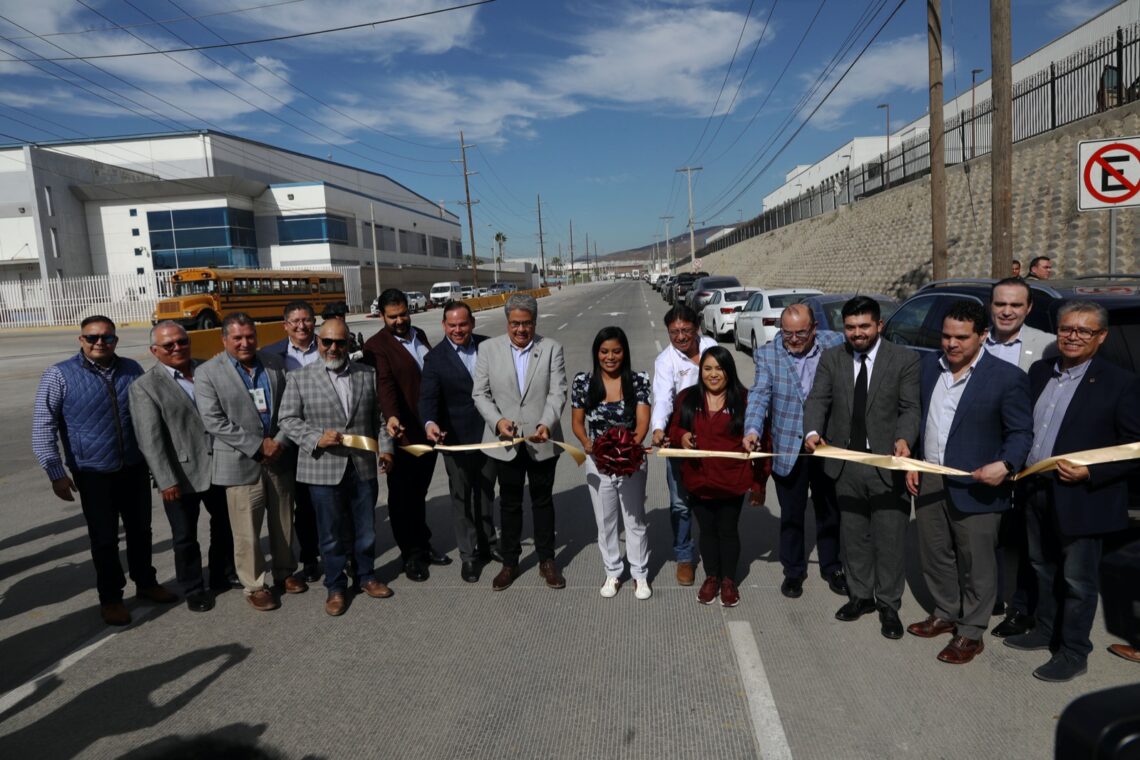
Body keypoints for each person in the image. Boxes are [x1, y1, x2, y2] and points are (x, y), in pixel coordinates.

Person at [1004, 301, 1140, 682]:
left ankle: (1074, 651)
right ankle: (1046, 631)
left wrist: (1090, 472)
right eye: (1067, 329)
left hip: (1083, 497)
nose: (1074, 336)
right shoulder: (1039, 371)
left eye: (1084, 331)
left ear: (1101, 337)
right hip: (1035, 489)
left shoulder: (1120, 382)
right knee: (1041, 567)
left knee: (1078, 581)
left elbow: (1135, 447)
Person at [904, 301, 1033, 664]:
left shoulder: (1007, 378)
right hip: (931, 477)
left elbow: (1021, 432)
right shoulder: (928, 367)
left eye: (961, 337)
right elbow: (918, 415)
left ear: (983, 336)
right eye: (946, 336)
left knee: (977, 563)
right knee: (934, 554)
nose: (951, 344)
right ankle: (946, 612)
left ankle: (971, 632)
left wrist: (1006, 465)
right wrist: (912, 458)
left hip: (979, 485)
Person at [33, 315, 177, 626]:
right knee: (104, 538)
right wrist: (55, 471)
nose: (100, 342)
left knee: (141, 531)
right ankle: (111, 598)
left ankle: (146, 583)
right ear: (81, 340)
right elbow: (43, 425)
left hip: (134, 465)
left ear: (116, 340)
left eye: (107, 337)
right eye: (93, 337)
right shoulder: (59, 375)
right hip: (92, 471)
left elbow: (147, 416)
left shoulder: (130, 370)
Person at [803, 295, 921, 640]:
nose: (857, 333)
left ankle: (888, 604)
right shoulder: (831, 358)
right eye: (850, 327)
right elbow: (818, 399)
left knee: (889, 538)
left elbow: (910, 408)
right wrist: (812, 431)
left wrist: (904, 440)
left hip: (887, 464)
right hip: (846, 465)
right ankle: (860, 596)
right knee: (852, 537)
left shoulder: (905, 359)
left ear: (879, 325)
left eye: (864, 326)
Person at [279, 319, 395, 616]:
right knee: (329, 534)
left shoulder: (366, 374)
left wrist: (386, 449)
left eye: (340, 343)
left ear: (349, 344)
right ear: (318, 342)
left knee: (366, 530)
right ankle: (335, 587)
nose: (333, 348)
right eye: (327, 342)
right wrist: (316, 438)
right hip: (322, 468)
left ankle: (366, 576)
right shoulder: (300, 378)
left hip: (362, 466)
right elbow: (288, 420)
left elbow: (380, 420)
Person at [196, 312, 306, 612]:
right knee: (246, 530)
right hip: (240, 462)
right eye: (238, 338)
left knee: (284, 520)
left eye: (250, 337)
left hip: (279, 457)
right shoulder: (208, 372)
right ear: (224, 340)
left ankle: (285, 572)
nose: (245, 343)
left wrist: (279, 440)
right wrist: (258, 445)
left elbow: (290, 407)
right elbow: (214, 421)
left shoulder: (273, 363)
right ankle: (255, 584)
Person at [129, 321, 236, 613]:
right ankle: (193, 588)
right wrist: (165, 480)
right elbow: (150, 440)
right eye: (169, 345)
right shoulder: (145, 387)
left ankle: (222, 573)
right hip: (180, 474)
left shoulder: (207, 370)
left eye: (182, 341)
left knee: (225, 524)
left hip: (219, 465)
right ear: (155, 351)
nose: (177, 348)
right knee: (185, 537)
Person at [742, 303, 847, 599]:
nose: (794, 339)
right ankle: (793, 570)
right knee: (792, 513)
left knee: (829, 510)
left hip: (826, 445)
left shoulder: (834, 343)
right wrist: (752, 430)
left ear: (814, 328)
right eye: (787, 333)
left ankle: (832, 565)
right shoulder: (767, 354)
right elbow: (760, 396)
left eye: (801, 333)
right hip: (789, 447)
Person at [472, 293, 568, 591]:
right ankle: (510, 563)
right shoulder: (488, 349)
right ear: (507, 322)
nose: (521, 330)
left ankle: (547, 561)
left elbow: (558, 391)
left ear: (535, 322)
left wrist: (546, 423)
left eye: (527, 324)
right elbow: (480, 393)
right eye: (515, 323)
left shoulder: (551, 348)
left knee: (542, 501)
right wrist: (497, 422)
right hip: (506, 443)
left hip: (542, 440)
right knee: (510, 505)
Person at [668, 347, 769, 607]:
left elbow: (764, 442)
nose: (713, 374)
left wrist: (759, 484)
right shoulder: (687, 399)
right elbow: (674, 426)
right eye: (707, 368)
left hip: (731, 482)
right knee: (707, 531)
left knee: (727, 530)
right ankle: (711, 576)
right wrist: (681, 436)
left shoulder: (745, 400)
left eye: (719, 368)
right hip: (698, 480)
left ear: (729, 371)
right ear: (700, 372)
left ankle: (728, 580)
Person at [362, 288, 449, 582]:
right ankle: (410, 554)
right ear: (382, 316)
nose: (400, 320)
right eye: (393, 317)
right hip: (401, 433)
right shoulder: (376, 346)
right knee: (402, 497)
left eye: (403, 314)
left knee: (419, 492)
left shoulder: (419, 334)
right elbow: (384, 384)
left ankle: (423, 544)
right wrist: (393, 416)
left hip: (427, 429)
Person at [984, 277, 1055, 638]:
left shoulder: (1049, 346)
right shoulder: (976, 342)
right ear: (991, 306)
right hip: (985, 457)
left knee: (1030, 542)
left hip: (1030, 460)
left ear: (1027, 309)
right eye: (1000, 304)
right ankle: (991, 597)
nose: (1007, 311)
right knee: (989, 533)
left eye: (1015, 305)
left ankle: (1023, 609)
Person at [419, 301, 500, 583]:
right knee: (462, 497)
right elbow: (428, 400)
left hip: (490, 436)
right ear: (443, 326)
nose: (457, 330)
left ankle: (489, 541)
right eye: (452, 325)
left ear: (472, 324)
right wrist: (430, 425)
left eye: (463, 324)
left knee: (487, 491)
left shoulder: (489, 347)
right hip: (456, 441)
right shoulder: (435, 359)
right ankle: (468, 555)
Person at [571, 326, 652, 600]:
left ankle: (640, 574)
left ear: (624, 352)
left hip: (631, 462)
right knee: (605, 522)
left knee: (635, 520)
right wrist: (586, 442)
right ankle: (613, 572)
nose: (610, 357)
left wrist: (629, 448)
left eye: (616, 351)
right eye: (604, 351)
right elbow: (577, 422)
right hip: (598, 463)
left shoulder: (638, 380)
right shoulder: (583, 382)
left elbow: (642, 423)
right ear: (597, 353)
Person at [650, 305, 716, 586]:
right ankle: (685, 557)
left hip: (715, 436)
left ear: (696, 328)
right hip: (681, 437)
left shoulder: (712, 348)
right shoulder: (666, 361)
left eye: (685, 330)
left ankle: (715, 554)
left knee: (714, 498)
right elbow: (663, 397)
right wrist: (658, 428)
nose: (680, 337)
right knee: (680, 503)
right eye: (674, 332)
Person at [263, 301, 322, 584]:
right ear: (285, 325)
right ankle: (310, 557)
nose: (302, 326)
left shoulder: (330, 345)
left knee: (333, 501)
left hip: (327, 435)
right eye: (295, 321)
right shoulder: (271, 355)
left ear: (314, 322)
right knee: (302, 503)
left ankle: (342, 552)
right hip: (290, 440)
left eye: (307, 320)